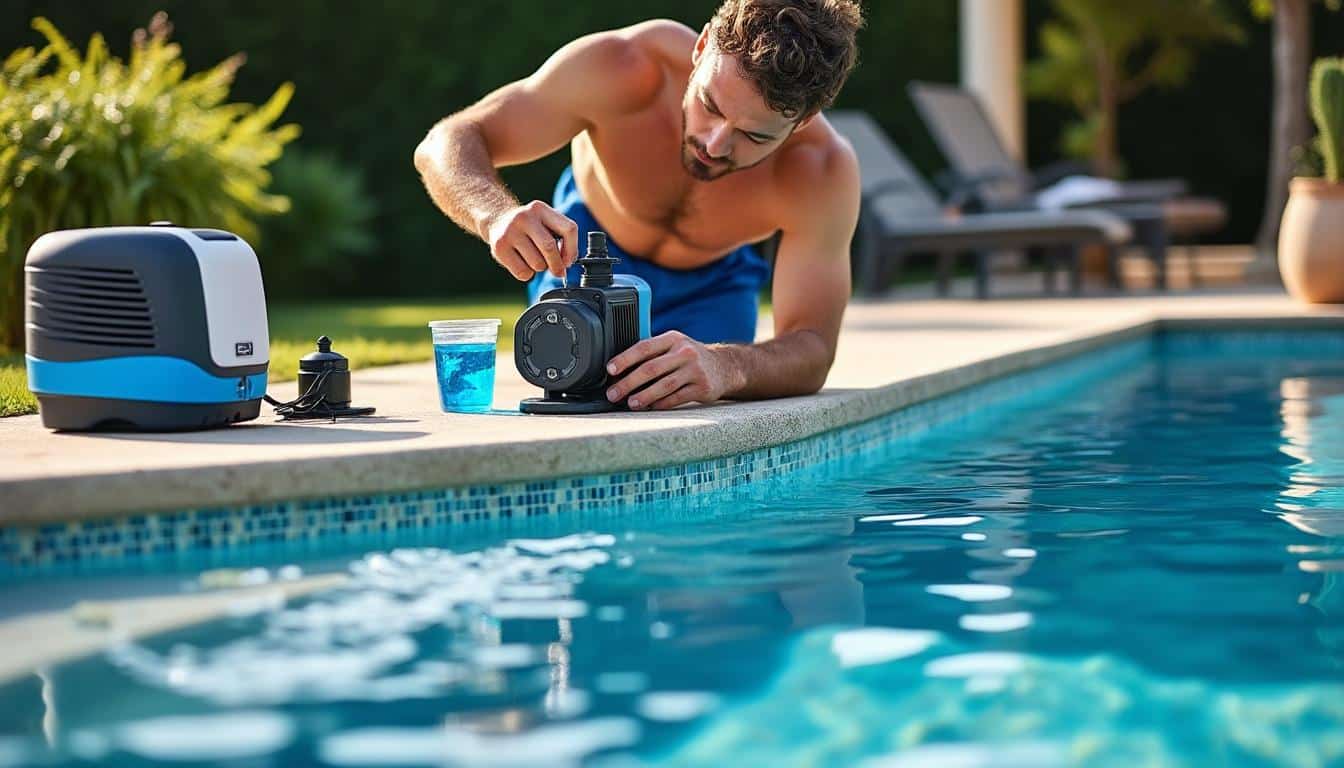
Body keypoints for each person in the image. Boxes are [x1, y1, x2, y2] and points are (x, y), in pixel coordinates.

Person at [415, 0, 862, 410]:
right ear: (702, 47)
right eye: (710, 104)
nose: (715, 142)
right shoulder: (624, 68)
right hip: (584, 262)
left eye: (755, 136)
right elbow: (447, 140)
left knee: (690, 408)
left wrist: (727, 366)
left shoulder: (820, 170)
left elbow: (813, 346)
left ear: (800, 121)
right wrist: (494, 215)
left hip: (712, 289)